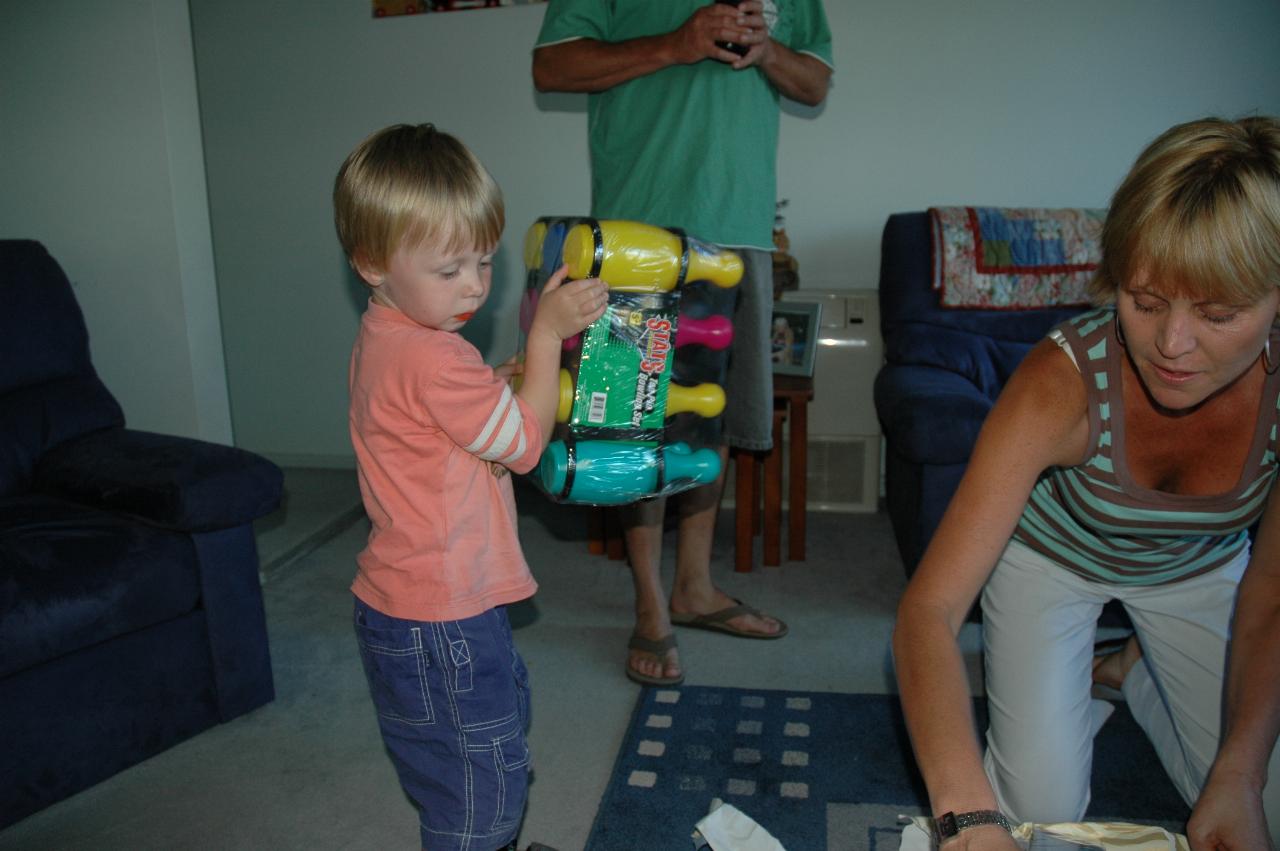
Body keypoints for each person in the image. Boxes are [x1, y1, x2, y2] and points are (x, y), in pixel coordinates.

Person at [892, 115, 1280, 850]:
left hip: (1196, 569)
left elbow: (1272, 595)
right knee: (1043, 813)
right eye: (1145, 300)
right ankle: (1135, 668)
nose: (1172, 345)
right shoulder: (1059, 382)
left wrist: (1243, 775)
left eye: (1219, 313)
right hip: (1051, 561)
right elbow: (929, 611)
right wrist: (968, 819)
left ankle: (1131, 671)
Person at [532, 0, 834, 686]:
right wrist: (677, 43)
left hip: (741, 226)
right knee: (634, 420)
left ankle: (694, 587)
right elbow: (550, 67)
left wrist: (768, 55)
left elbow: (815, 81)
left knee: (709, 415)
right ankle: (649, 604)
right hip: (635, 230)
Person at [333, 123, 607, 851]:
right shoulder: (435, 356)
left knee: (457, 755)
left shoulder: (385, 336)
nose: (475, 286)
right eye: (449, 268)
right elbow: (520, 446)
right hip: (447, 614)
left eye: (484, 262)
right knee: (482, 785)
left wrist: (499, 378)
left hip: (405, 603)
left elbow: (435, 424)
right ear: (370, 261)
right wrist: (546, 342)